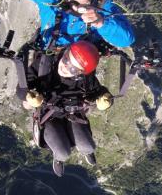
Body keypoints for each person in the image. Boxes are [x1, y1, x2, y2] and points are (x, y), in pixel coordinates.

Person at [16, 40, 113, 177]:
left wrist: (105, 98)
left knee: (89, 146)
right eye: (66, 58)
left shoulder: (86, 79)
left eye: (72, 69)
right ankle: (59, 158)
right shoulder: (46, 65)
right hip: (50, 116)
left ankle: (87, 151)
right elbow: (22, 86)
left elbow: (98, 91)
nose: (65, 66)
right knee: (63, 152)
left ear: (80, 73)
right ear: (66, 51)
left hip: (73, 114)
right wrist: (28, 97)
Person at [24, 0, 136, 49]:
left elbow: (126, 39)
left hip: (80, 67)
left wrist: (102, 23)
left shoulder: (102, 5)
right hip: (46, 58)